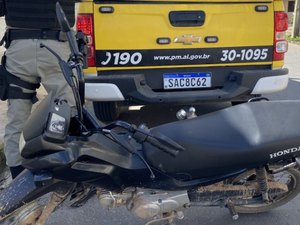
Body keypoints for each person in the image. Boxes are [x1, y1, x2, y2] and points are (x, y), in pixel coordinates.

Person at [0, 0, 80, 179]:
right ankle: (69, 175)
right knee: (69, 113)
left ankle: (17, 181)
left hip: (20, 48)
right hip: (56, 47)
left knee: (16, 119)